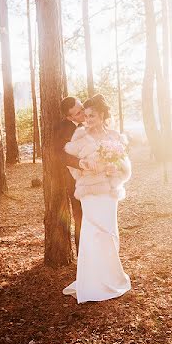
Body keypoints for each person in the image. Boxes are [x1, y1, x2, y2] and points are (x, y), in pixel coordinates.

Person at [62, 94, 132, 303]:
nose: (88, 119)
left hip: (109, 193)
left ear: (102, 116)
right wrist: (85, 167)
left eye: (92, 115)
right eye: (86, 115)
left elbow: (125, 167)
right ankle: (91, 282)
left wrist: (115, 170)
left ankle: (110, 277)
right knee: (93, 233)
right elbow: (71, 165)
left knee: (110, 233)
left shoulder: (115, 137)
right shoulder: (79, 137)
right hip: (90, 193)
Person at [57, 96, 86, 250]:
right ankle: (83, 257)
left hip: (96, 178)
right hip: (74, 181)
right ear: (69, 117)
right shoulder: (62, 129)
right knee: (80, 217)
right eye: (78, 113)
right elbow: (61, 155)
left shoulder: (91, 116)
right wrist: (80, 164)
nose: (83, 113)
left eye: (82, 108)